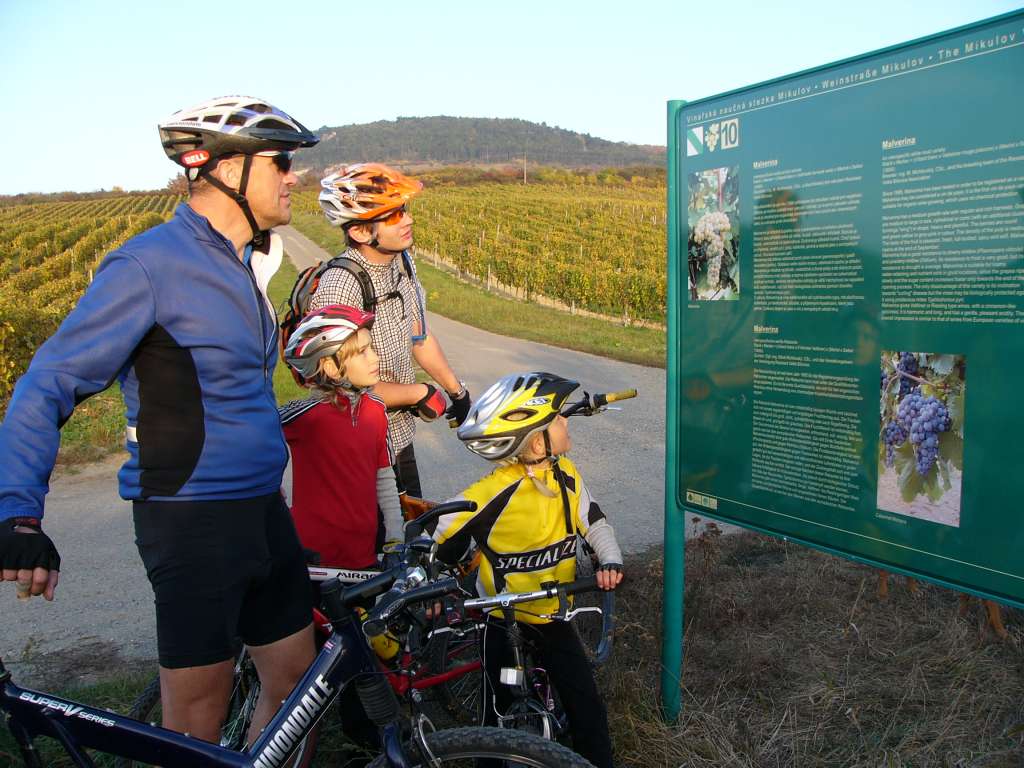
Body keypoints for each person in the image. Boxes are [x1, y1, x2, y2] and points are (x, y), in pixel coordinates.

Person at [0, 95, 320, 746]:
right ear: (228, 171)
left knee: (298, 690)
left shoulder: (238, 268)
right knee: (197, 719)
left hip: (261, 511)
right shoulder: (150, 265)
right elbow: (51, 380)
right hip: (192, 517)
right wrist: (17, 513)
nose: (294, 176)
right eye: (281, 161)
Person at [430, 371, 624, 768]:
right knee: (495, 713)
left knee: (586, 705)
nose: (567, 422)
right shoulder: (493, 491)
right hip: (502, 618)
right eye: (559, 419)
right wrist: (433, 579)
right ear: (537, 440)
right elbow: (441, 534)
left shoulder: (566, 475)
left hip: (553, 614)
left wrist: (609, 560)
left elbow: (595, 522)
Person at [280, 303, 402, 764]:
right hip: (311, 561)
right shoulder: (299, 418)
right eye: (364, 351)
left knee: (361, 652)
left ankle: (360, 732)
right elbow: (262, 464)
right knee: (301, 664)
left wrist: (394, 537)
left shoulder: (374, 411)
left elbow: (383, 477)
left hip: (360, 560)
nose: (375, 359)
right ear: (330, 366)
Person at [310, 163, 472, 497]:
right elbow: (338, 389)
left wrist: (457, 392)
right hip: (356, 448)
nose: (408, 220)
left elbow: (418, 335)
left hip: (397, 439)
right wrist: (416, 393)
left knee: (412, 535)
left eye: (405, 210)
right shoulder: (341, 287)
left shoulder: (403, 264)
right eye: (393, 215)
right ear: (359, 232)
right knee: (376, 544)